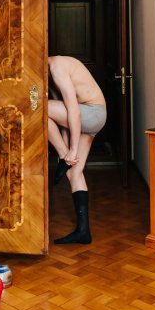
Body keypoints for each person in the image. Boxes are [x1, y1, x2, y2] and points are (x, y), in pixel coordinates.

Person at [48, 55, 106, 244]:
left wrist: (71, 150)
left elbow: (74, 111)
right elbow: (62, 118)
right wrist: (67, 152)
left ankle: (64, 157)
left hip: (91, 113)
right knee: (74, 173)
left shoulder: (57, 66)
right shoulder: (50, 74)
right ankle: (83, 231)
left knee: (38, 107)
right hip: (92, 115)